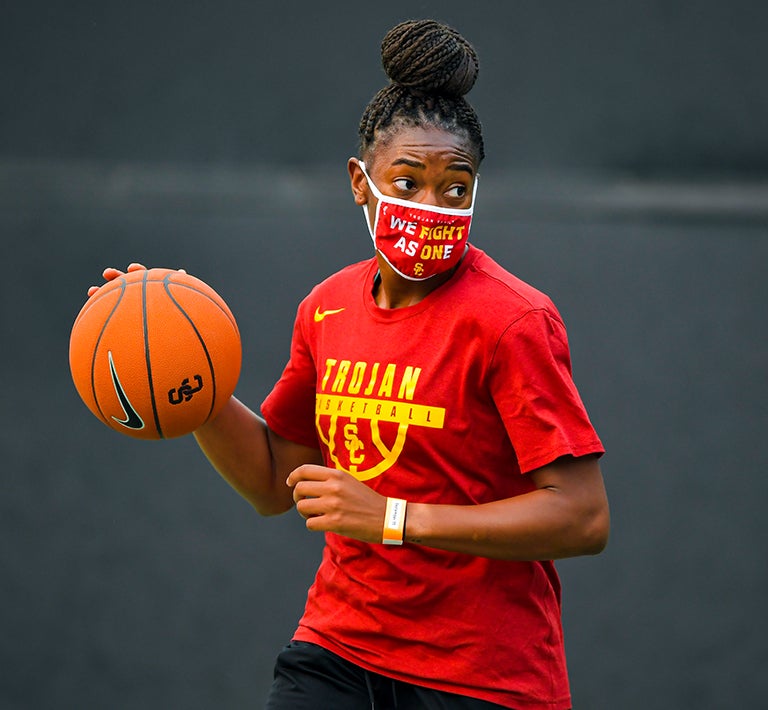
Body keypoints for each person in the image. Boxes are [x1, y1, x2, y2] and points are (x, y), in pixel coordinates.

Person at [92, 19, 609, 710]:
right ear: (360, 184)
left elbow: (582, 518)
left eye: (455, 188)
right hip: (338, 649)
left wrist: (395, 517)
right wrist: (190, 378)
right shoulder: (328, 307)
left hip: (480, 675)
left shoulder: (512, 320)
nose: (432, 207)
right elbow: (276, 482)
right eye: (408, 181)